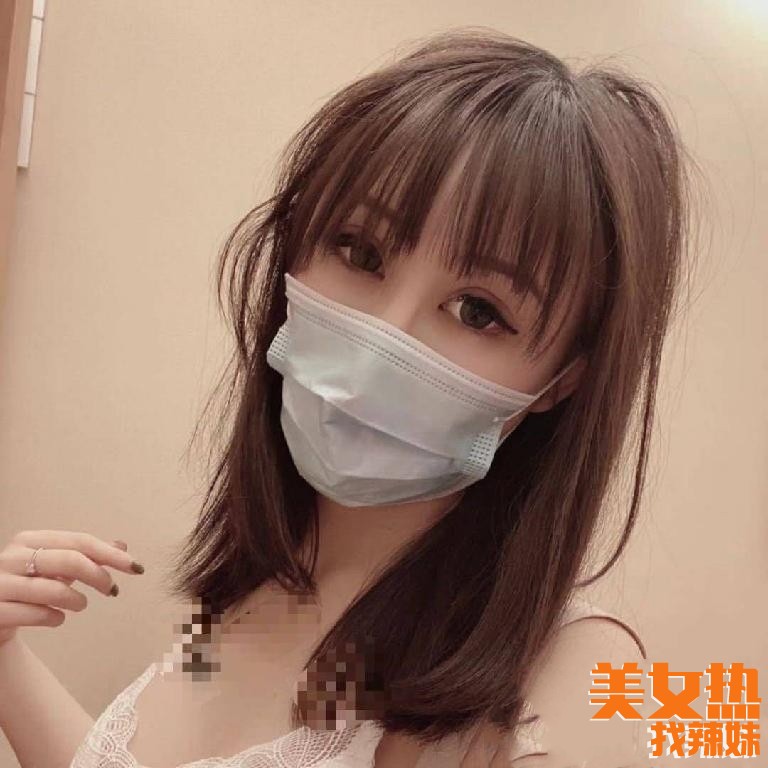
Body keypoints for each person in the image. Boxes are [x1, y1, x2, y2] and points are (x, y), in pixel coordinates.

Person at [0, 27, 698, 768]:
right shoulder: (247, 590)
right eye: (360, 252)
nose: (381, 336)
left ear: (560, 383)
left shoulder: (569, 676)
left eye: (477, 311)